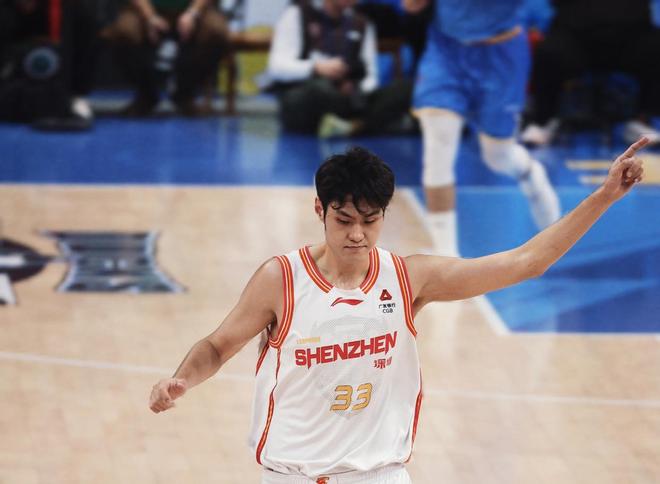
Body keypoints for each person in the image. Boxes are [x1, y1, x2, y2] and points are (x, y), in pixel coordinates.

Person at [149, 138, 647, 484]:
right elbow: (218, 346)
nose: (357, 234)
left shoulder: (409, 279)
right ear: (320, 210)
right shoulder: (281, 280)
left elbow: (527, 262)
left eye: (370, 221)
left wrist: (604, 196)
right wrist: (182, 379)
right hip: (292, 474)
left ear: (384, 215)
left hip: (381, 474)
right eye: (344, 220)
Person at [403, 0, 561, 256]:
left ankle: (529, 172)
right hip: (446, 51)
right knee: (438, 146)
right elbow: (411, 6)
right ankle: (445, 257)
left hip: (501, 55)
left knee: (498, 156)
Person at [520, 0, 660, 147]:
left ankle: (643, 120)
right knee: (549, 52)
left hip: (631, 33)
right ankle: (542, 120)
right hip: (574, 34)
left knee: (656, 48)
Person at [267, 0, 414, 137]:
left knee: (406, 89)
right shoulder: (298, 13)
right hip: (310, 94)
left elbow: (370, 76)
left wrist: (357, 89)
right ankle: (363, 125)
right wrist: (315, 68)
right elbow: (276, 68)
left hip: (350, 99)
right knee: (319, 90)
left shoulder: (362, 22)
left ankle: (354, 125)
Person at [102, 0, 228, 116]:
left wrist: (192, 13)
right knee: (124, 32)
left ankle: (185, 93)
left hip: (193, 8)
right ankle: (146, 95)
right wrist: (150, 16)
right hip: (145, 8)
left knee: (216, 31)